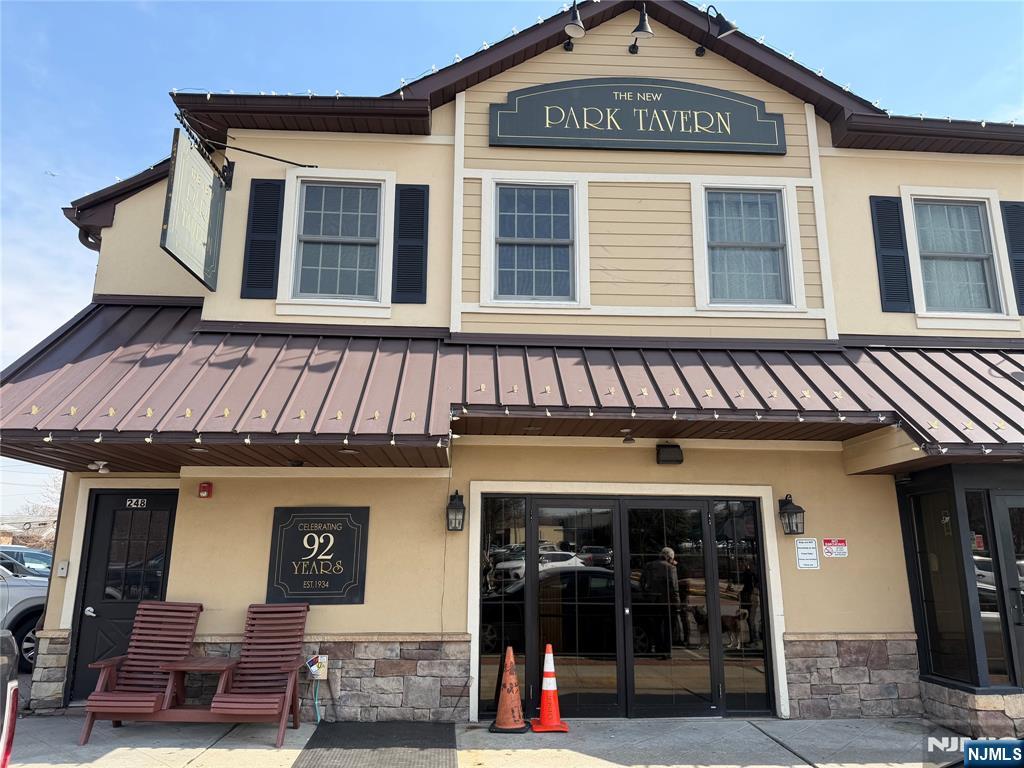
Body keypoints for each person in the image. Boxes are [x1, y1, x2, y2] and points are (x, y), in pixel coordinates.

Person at [641, 547, 680, 654]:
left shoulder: (649, 566)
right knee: (668, 627)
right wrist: (677, 603)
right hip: (667, 601)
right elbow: (674, 588)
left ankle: (658, 648)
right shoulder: (671, 568)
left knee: (656, 626)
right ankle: (666, 650)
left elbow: (642, 582)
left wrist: (646, 595)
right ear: (670, 557)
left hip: (653, 601)